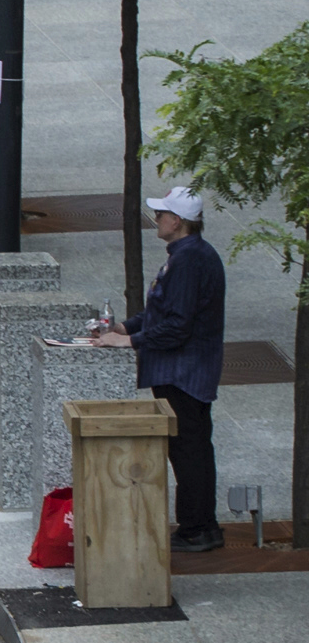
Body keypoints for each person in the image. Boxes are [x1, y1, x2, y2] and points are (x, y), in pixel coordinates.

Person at [93, 189, 229, 552]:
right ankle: (203, 526)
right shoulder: (188, 256)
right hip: (184, 369)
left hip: (184, 371)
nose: (157, 219)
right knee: (191, 447)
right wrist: (125, 327)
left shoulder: (189, 261)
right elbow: (163, 313)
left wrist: (130, 341)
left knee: (188, 450)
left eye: (162, 214)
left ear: (178, 222)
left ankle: (196, 529)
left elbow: (177, 324)